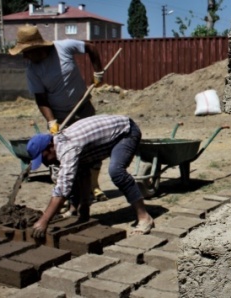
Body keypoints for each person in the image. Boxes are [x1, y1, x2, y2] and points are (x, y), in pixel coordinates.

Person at [9, 25, 108, 210]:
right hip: (60, 116)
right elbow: (41, 98)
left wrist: (98, 71)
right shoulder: (32, 70)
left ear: (37, 49)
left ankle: (93, 187)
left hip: (83, 108)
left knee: (93, 151)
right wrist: (51, 121)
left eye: (27, 52)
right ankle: (69, 196)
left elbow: (91, 47)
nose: (25, 57)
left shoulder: (64, 47)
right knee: (62, 157)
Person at [26, 114, 154, 238]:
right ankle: (81, 210)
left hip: (126, 132)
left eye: (44, 158)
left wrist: (44, 220)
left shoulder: (67, 148)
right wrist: (85, 208)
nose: (45, 163)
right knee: (79, 171)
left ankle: (144, 217)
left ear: (49, 147)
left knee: (117, 172)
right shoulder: (60, 143)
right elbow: (84, 172)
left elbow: (62, 189)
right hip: (109, 136)